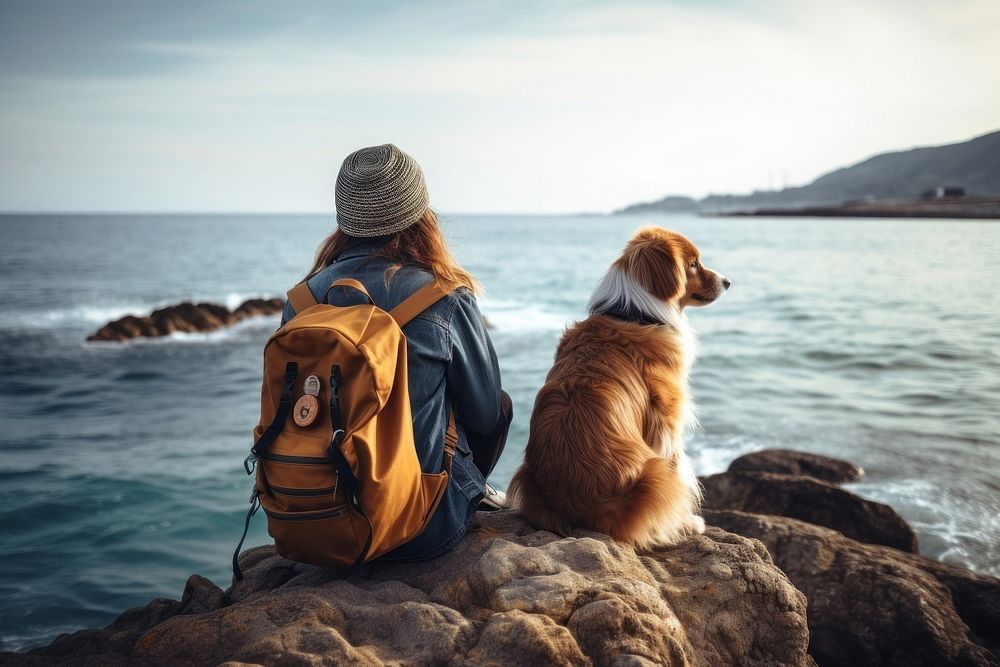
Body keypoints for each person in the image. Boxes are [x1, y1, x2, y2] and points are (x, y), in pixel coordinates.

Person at [279, 143, 511, 562]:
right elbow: (485, 413)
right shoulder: (444, 296)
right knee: (498, 402)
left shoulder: (300, 301)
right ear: (421, 214)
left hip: (316, 522)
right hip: (419, 529)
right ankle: (467, 492)